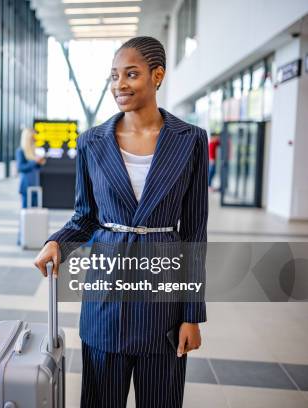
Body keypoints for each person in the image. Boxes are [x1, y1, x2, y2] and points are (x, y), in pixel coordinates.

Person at [34, 36, 207, 408]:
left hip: (164, 299)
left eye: (131, 74)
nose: (120, 85)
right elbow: (84, 217)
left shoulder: (189, 141)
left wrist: (192, 315)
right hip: (106, 296)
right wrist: (57, 243)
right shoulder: (92, 142)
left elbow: (194, 234)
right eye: (114, 76)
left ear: (157, 75)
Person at [16, 128, 46, 209]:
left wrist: (39, 162)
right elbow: (20, 167)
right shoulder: (21, 151)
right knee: (26, 211)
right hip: (26, 185)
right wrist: (34, 162)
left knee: (35, 211)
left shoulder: (33, 151)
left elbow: (35, 168)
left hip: (35, 184)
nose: (34, 140)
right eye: (32, 138)